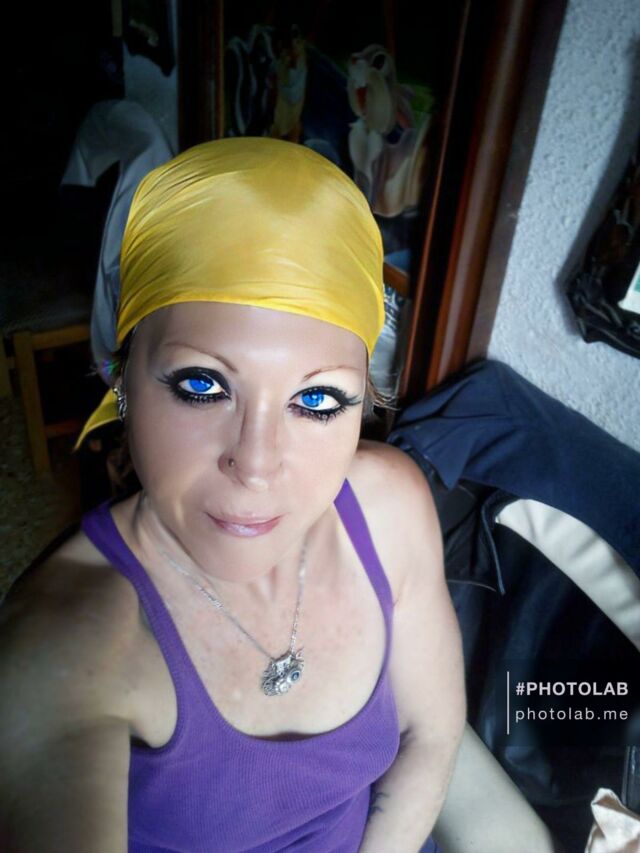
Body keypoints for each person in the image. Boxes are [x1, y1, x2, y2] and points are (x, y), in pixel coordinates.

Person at [0, 137, 466, 852]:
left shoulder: (390, 507)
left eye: (317, 399)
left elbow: (432, 735)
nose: (256, 464)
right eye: (202, 385)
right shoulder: (67, 644)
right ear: (121, 380)